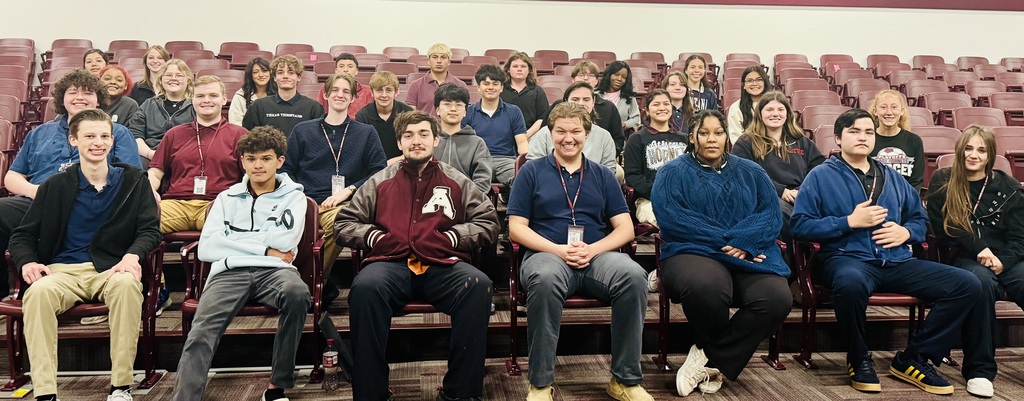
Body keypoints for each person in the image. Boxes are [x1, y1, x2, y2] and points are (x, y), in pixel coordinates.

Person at [791, 109, 982, 395]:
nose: (863, 137)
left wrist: (907, 233)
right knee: (850, 283)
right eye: (855, 131)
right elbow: (799, 226)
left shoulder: (891, 176)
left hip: (896, 261)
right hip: (847, 259)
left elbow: (920, 219)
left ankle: (914, 357)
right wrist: (848, 222)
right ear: (838, 138)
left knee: (967, 284)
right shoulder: (819, 176)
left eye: (869, 132)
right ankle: (858, 357)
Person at [335, 110, 499, 401]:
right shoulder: (380, 180)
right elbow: (344, 223)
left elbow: (488, 222)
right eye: (408, 136)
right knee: (364, 288)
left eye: (424, 134)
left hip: (442, 264)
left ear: (436, 139)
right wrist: (375, 237)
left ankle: (460, 393)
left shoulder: (456, 180)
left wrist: (452, 237)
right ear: (399, 143)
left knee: (478, 285)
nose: (416, 141)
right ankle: (371, 393)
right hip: (391, 263)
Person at [9, 108, 161, 401]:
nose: (98, 142)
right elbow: (22, 235)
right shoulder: (55, 185)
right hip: (63, 271)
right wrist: (27, 261)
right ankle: (45, 392)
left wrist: (132, 255)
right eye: (89, 135)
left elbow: (150, 230)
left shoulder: (134, 181)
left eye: (105, 135)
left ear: (112, 140)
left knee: (128, 285)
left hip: (112, 268)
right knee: (37, 293)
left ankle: (120, 386)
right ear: (74, 140)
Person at [507, 102, 653, 401]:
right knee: (544, 279)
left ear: (587, 134)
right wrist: (559, 250)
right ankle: (540, 384)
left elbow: (625, 228)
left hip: (597, 255)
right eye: (560, 131)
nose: (568, 138)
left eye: (576, 131)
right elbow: (516, 229)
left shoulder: (602, 175)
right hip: (547, 254)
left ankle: (625, 380)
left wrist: (592, 249)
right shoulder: (531, 171)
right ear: (550, 134)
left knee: (634, 275)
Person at [652, 109, 792, 396]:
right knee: (707, 286)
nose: (711, 139)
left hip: (748, 252)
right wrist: (729, 241)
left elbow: (770, 214)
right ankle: (717, 360)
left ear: (727, 136)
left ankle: (710, 360)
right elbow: (673, 217)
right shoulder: (671, 172)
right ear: (692, 137)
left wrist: (746, 241)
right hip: (693, 250)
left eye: (718, 133)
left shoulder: (751, 171)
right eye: (704, 133)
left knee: (777, 298)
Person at [171, 126, 309, 401]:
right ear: (242, 161)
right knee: (202, 331)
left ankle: (277, 385)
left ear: (279, 161)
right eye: (251, 158)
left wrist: (237, 241)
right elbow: (208, 247)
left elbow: (284, 242)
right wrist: (263, 247)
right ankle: (185, 398)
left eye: (266, 158)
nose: (258, 165)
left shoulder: (294, 197)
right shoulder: (225, 199)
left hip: (276, 272)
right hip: (228, 272)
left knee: (298, 294)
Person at [0, 69, 141, 297]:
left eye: (88, 92)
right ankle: (7, 291)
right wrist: (38, 191)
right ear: (61, 99)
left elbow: (132, 177)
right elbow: (12, 177)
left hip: (92, 202)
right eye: (72, 92)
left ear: (98, 99)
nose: (79, 97)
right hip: (39, 200)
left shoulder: (117, 132)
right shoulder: (39, 133)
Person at [927, 125, 1024, 398]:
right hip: (964, 258)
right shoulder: (943, 180)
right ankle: (980, 370)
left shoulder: (1007, 185)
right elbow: (946, 227)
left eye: (981, 150)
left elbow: (1019, 235)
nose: (974, 155)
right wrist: (981, 248)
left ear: (990, 154)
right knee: (978, 283)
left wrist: (1003, 261)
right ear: (960, 150)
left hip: (1007, 259)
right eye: (969, 148)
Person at [283, 73, 386, 299]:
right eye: (335, 90)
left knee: (341, 220)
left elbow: (379, 171)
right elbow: (285, 169)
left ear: (352, 99)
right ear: (326, 95)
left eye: (345, 92)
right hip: (304, 202)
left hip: (344, 204)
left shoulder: (366, 132)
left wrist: (349, 190)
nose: (340, 95)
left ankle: (310, 284)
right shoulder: (303, 130)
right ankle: (318, 285)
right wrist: (300, 196)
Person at [149, 75, 246, 235]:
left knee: (233, 227)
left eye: (213, 96)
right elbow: (155, 173)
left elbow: (251, 176)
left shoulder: (240, 135)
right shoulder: (174, 134)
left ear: (224, 99)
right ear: (191, 100)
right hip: (176, 205)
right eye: (200, 96)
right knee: (138, 223)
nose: (206, 100)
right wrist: (150, 191)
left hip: (219, 204)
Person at [731, 91, 824, 242]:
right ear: (760, 114)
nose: (775, 114)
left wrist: (802, 191)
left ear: (787, 114)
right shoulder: (746, 142)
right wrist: (781, 191)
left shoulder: (802, 141)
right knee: (779, 212)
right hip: (765, 197)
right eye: (769, 110)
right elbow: (743, 174)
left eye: (780, 109)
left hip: (801, 196)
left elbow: (819, 170)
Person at [624, 89, 688, 228]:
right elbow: (633, 177)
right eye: (656, 104)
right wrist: (662, 194)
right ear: (647, 110)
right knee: (672, 222)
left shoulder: (684, 139)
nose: (662, 108)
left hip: (683, 200)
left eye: (666, 104)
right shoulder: (637, 139)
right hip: (648, 200)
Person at [528, 81, 618, 176]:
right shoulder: (545, 132)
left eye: (586, 99)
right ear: (566, 101)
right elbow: (534, 165)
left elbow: (609, 171)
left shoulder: (604, 136)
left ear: (593, 102)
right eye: (575, 99)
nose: (580, 104)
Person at [462, 64, 527, 188]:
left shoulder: (514, 111)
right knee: (474, 185)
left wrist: (524, 163)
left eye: (495, 84)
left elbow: (522, 143)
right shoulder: (468, 112)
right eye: (486, 84)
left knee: (522, 181)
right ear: (478, 88)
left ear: (501, 88)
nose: (490, 87)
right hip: (478, 160)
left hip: (506, 161)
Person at [544, 61, 624, 153]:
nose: (586, 78)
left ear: (597, 81)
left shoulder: (609, 108)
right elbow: (545, 134)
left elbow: (618, 140)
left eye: (590, 75)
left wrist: (603, 155)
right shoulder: (557, 106)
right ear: (573, 79)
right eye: (581, 74)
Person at [128, 59, 196, 167]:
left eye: (179, 75)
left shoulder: (195, 106)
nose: (173, 79)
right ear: (161, 79)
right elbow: (135, 134)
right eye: (168, 75)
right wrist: (151, 154)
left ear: (188, 80)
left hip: (184, 159)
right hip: (149, 155)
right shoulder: (148, 104)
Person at [242, 55, 325, 136]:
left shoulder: (314, 108)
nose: (285, 76)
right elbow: (250, 141)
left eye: (291, 72)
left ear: (299, 77)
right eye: (280, 72)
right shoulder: (258, 107)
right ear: (274, 77)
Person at [433, 83, 492, 194]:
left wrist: (466, 200)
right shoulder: (427, 140)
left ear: (465, 112)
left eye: (459, 105)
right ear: (437, 110)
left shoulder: (477, 143)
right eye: (447, 104)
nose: (453, 109)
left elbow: (482, 182)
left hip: (466, 202)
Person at [868, 89, 925, 191]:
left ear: (902, 111)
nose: (889, 112)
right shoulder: (867, 139)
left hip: (905, 202)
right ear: (875, 111)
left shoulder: (914, 141)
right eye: (883, 107)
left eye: (894, 107)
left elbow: (916, 181)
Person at [355, 71, 414, 164]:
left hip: (403, 163)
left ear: (397, 91)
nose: (384, 95)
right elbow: (362, 149)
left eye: (389, 90)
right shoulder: (362, 116)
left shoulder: (408, 113)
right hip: (372, 166)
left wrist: (399, 160)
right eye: (379, 90)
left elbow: (412, 144)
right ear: (372, 92)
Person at [405, 43, 469, 116]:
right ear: (428, 61)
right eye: (435, 57)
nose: (439, 61)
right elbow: (410, 115)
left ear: (449, 62)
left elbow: (465, 112)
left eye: (443, 57)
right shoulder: (416, 85)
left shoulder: (460, 85)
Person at [501, 51, 549, 139]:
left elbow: (541, 118)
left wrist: (525, 136)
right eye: (515, 66)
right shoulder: (500, 90)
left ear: (529, 70)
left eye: (523, 66)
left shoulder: (538, 91)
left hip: (531, 137)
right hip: (503, 137)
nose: (519, 69)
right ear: (508, 69)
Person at [316, 53, 374, 119]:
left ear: (356, 71)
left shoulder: (367, 91)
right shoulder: (326, 88)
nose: (345, 70)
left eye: (350, 66)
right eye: (341, 66)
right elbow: (319, 112)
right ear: (336, 70)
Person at [727, 65, 770, 144]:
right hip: (746, 152)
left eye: (759, 80)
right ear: (743, 85)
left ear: (765, 83)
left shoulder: (775, 105)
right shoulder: (736, 107)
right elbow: (736, 138)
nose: (754, 83)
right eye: (749, 81)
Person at [228, 57, 276, 126]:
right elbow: (235, 123)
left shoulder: (278, 93)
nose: (261, 75)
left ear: (270, 73)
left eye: (264, 71)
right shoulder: (241, 95)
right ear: (250, 75)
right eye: (255, 72)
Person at [595, 61, 641, 135]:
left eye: (624, 77)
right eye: (616, 74)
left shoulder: (629, 97)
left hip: (619, 138)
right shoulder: (596, 95)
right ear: (609, 75)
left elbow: (636, 119)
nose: (619, 79)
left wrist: (625, 124)